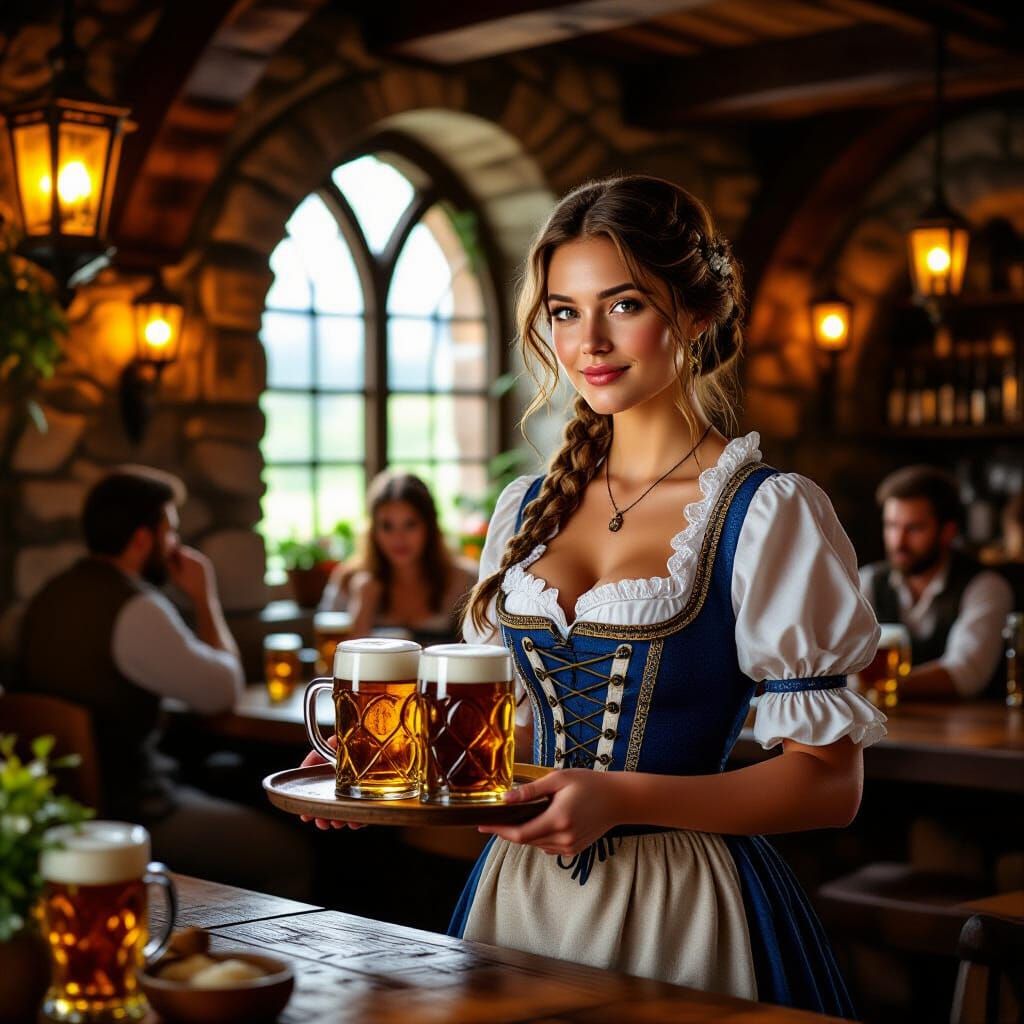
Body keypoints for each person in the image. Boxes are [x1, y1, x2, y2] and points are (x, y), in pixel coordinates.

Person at [300, 175, 885, 1017]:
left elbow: (831, 786)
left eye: (623, 305)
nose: (590, 342)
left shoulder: (768, 512)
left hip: (684, 911)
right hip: (520, 902)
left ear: (695, 314)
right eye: (564, 311)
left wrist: (625, 797)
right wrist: (389, 770)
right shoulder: (525, 509)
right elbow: (509, 732)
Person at [17, 467, 312, 898]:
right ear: (142, 539)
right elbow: (222, 692)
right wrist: (204, 596)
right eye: (170, 531)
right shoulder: (135, 608)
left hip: (62, 812)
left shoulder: (48, 596)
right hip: (132, 814)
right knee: (290, 854)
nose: (175, 545)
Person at [859, 465, 1014, 700]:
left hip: (973, 731)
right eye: (891, 525)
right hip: (884, 728)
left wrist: (877, 686)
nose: (898, 541)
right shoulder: (869, 580)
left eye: (914, 528)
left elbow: (965, 673)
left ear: (947, 532)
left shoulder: (985, 587)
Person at [319, 470, 476, 644]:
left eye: (410, 524)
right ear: (373, 531)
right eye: (387, 526)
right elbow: (334, 661)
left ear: (429, 527)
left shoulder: (464, 580)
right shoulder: (347, 580)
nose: (398, 538)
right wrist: (363, 606)